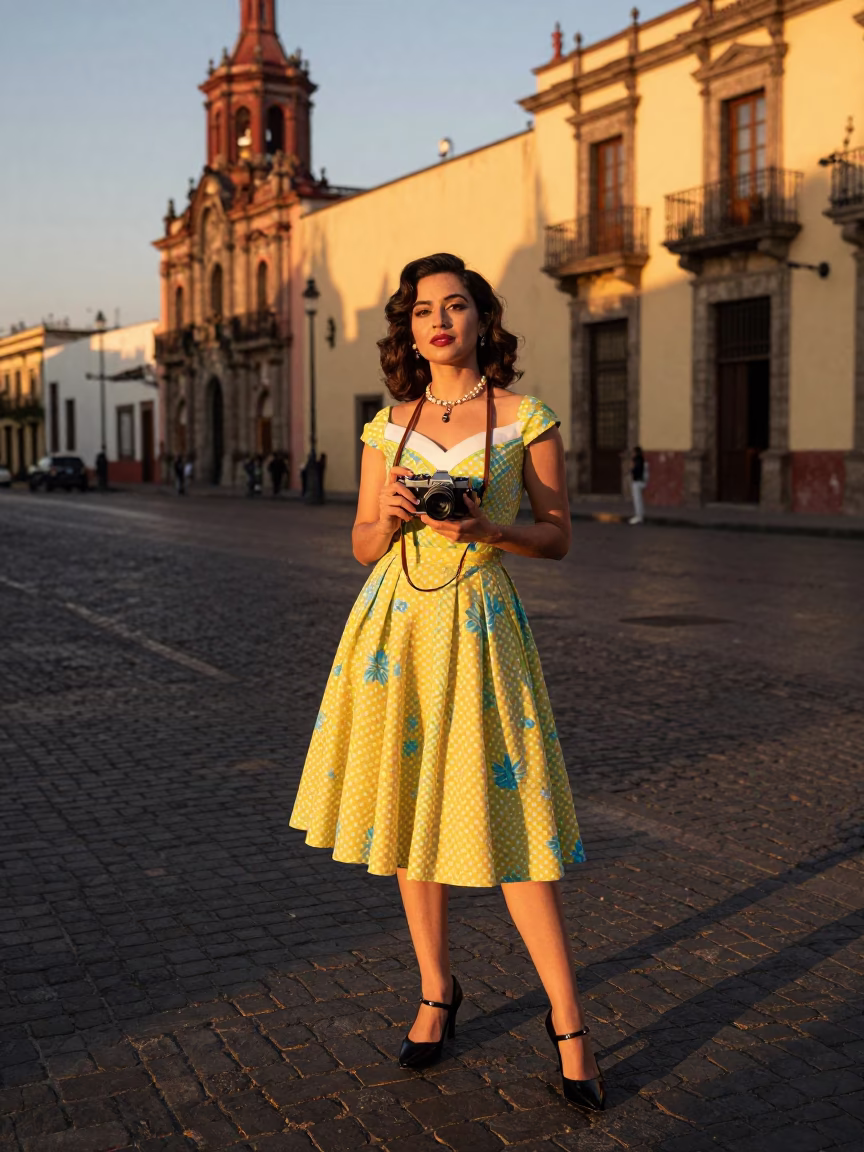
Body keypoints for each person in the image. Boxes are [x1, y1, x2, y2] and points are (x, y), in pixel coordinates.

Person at [290, 252, 604, 1112]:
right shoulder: (387, 426)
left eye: (455, 305)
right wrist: (387, 517)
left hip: (479, 626)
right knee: (408, 812)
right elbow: (359, 545)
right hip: (394, 629)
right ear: (409, 328)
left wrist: (485, 528)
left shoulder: (526, 417)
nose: (439, 320)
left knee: (515, 818)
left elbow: (559, 536)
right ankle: (437, 990)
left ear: (481, 320)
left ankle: (569, 1021)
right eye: (424, 308)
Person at [629, 446, 649, 525]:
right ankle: (640, 515)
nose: (632, 454)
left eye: (633, 452)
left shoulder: (637, 460)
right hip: (641, 482)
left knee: (637, 500)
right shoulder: (641, 459)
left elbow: (635, 471)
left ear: (636, 453)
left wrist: (631, 468)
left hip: (637, 482)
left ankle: (639, 516)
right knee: (639, 500)